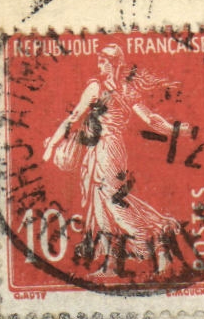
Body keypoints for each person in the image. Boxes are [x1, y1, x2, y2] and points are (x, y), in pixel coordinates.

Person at [42, 44, 188, 279]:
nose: (99, 66)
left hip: (107, 149)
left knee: (113, 202)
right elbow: (151, 119)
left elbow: (74, 117)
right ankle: (113, 265)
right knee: (102, 205)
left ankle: (156, 239)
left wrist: (51, 145)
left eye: (102, 61)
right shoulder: (124, 89)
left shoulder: (98, 87)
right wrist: (175, 129)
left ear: (112, 64)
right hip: (103, 148)